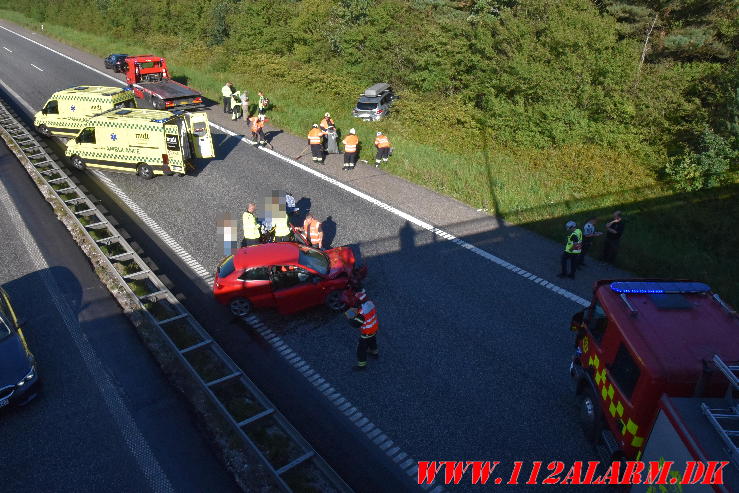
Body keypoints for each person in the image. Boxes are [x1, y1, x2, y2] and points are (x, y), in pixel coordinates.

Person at [345, 287, 379, 371]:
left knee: (360, 349)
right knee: (372, 342)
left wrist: (349, 316)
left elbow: (355, 324)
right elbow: (359, 309)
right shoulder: (369, 303)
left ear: (359, 302)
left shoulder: (362, 314)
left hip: (366, 333)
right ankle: (375, 354)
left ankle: (362, 365)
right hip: (373, 329)